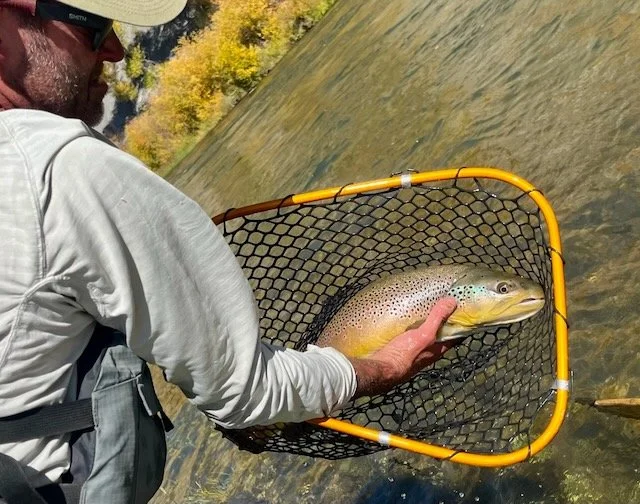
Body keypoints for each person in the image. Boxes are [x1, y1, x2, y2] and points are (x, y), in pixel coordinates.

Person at [0, 0, 457, 502]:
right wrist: (384, 367)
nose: (113, 50)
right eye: (92, 27)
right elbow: (246, 393)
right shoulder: (60, 168)